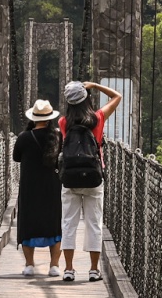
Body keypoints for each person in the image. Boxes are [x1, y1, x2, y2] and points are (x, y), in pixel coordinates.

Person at [57, 79, 121, 283]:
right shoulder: (98, 118)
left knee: (68, 224)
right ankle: (93, 270)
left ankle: (68, 269)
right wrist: (94, 85)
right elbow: (117, 96)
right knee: (94, 224)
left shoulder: (63, 122)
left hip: (70, 179)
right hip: (94, 177)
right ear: (86, 99)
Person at [11, 99, 64, 277]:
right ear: (50, 119)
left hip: (29, 186)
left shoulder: (24, 138)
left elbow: (16, 158)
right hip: (51, 185)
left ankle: (29, 265)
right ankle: (54, 265)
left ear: (33, 118)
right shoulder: (57, 137)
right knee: (53, 223)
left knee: (28, 222)